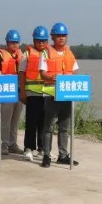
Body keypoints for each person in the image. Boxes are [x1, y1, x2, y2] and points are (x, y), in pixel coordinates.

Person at [40, 22, 80, 168]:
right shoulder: (46, 53)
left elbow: (74, 72)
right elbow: (42, 73)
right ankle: (46, 155)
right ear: (52, 37)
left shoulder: (70, 53)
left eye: (63, 35)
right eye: (58, 36)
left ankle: (63, 155)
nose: (61, 38)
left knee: (64, 127)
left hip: (67, 95)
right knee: (48, 127)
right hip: (52, 94)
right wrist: (52, 77)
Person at [18, 26, 49, 162]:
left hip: (47, 94)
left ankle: (43, 149)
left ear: (47, 41)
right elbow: (21, 73)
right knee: (31, 122)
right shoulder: (27, 54)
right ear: (34, 40)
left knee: (45, 123)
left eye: (43, 40)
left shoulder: (50, 54)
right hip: (32, 94)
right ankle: (28, 148)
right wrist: (23, 93)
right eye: (38, 40)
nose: (41, 43)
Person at [0, 29, 25, 155]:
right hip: (6, 92)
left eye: (16, 42)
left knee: (15, 120)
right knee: (5, 120)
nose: (14, 44)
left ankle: (13, 144)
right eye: (12, 42)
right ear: (7, 42)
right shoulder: (0, 56)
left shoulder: (22, 56)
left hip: (19, 92)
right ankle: (4, 144)